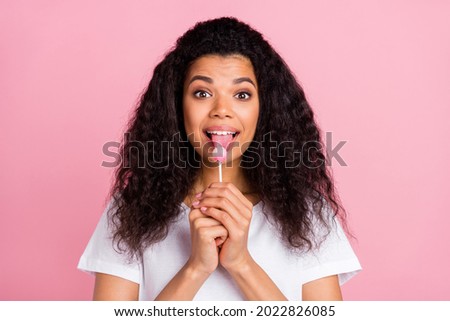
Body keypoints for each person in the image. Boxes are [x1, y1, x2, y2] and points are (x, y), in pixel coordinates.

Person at [78, 17, 361, 301]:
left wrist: (241, 263)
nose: (222, 110)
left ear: (265, 108)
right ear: (177, 105)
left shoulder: (307, 212)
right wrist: (196, 268)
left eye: (242, 94)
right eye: (202, 93)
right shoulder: (131, 209)